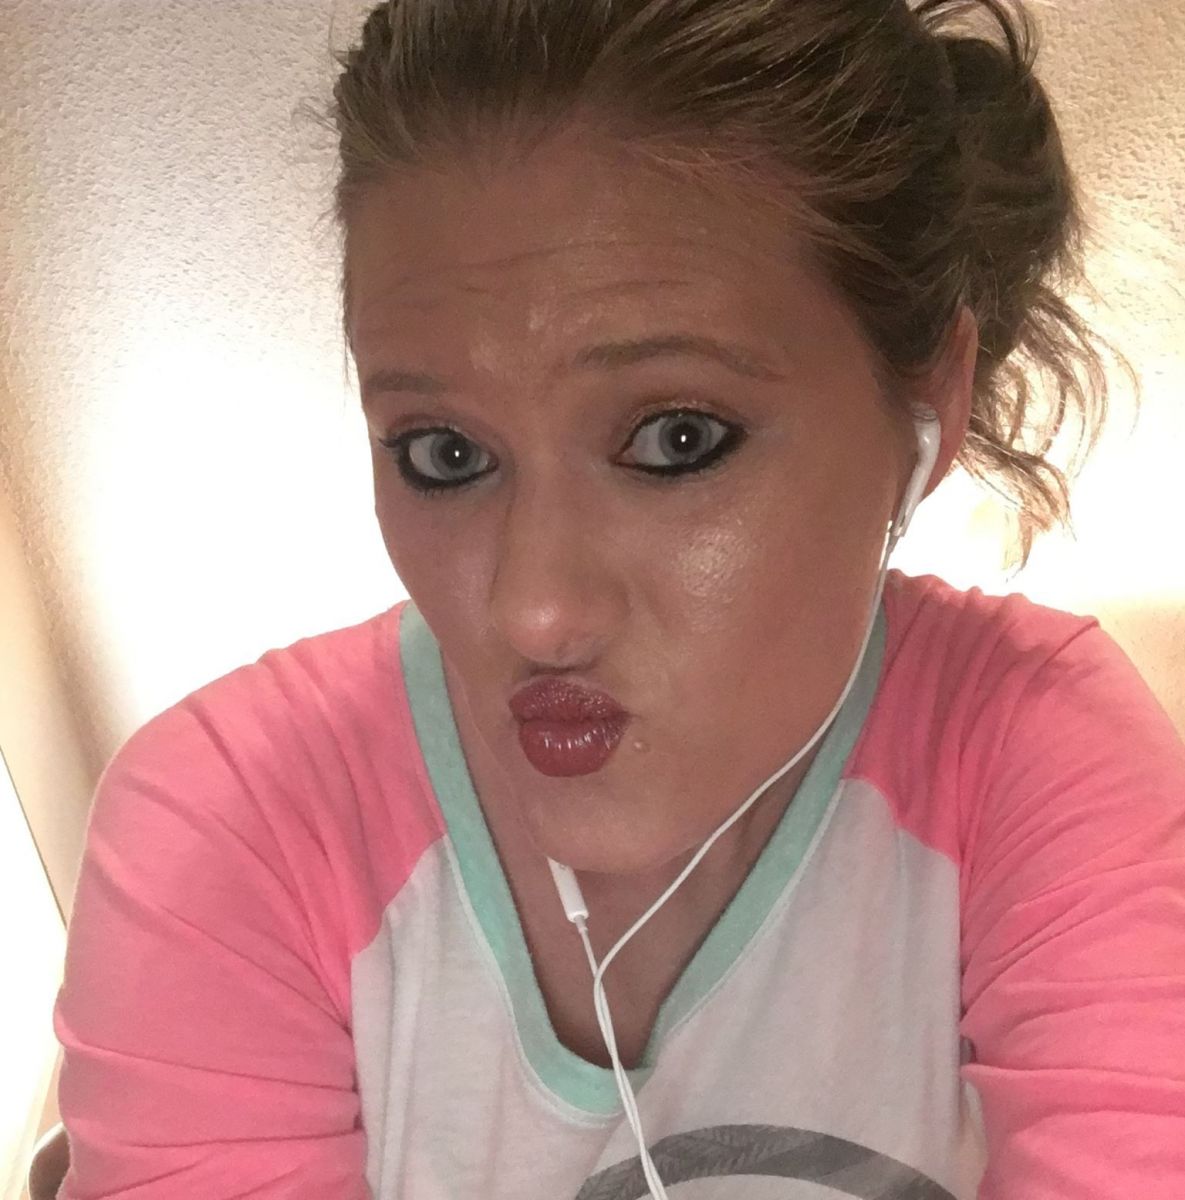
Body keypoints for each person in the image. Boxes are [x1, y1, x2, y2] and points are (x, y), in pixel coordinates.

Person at [50, 0, 1185, 1197]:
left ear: (927, 410)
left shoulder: (1028, 752)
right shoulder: (234, 831)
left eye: (677, 437)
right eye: (445, 453)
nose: (532, 612)